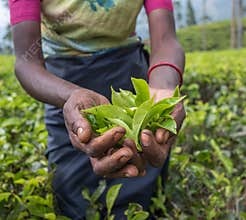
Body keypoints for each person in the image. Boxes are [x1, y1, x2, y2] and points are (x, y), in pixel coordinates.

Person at [9, 0, 185, 219]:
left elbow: (166, 39)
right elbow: (26, 62)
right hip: (63, 86)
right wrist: (70, 97)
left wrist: (163, 87)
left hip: (130, 77)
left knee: (143, 198)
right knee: (74, 200)